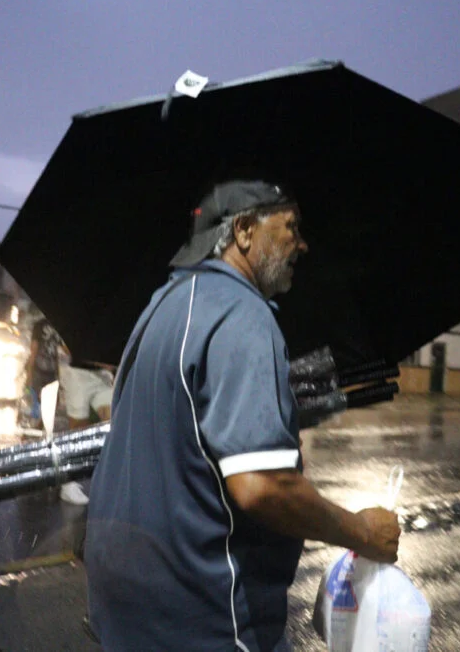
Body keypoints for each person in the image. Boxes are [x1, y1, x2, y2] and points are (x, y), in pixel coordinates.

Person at [84, 180, 401, 651]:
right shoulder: (242, 314)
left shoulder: (163, 305)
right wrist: (361, 531)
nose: (302, 243)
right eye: (290, 226)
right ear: (245, 230)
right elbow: (261, 486)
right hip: (201, 609)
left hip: (124, 601)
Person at [57, 351, 114, 506]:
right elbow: (71, 349)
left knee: (113, 424)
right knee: (78, 431)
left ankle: (109, 478)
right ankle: (68, 483)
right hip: (77, 373)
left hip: (102, 376)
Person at [23, 314, 62, 431]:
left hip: (49, 371)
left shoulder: (41, 325)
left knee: (49, 402)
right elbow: (34, 350)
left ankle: (39, 426)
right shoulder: (40, 325)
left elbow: (58, 353)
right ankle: (34, 426)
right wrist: (29, 375)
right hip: (39, 370)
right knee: (37, 400)